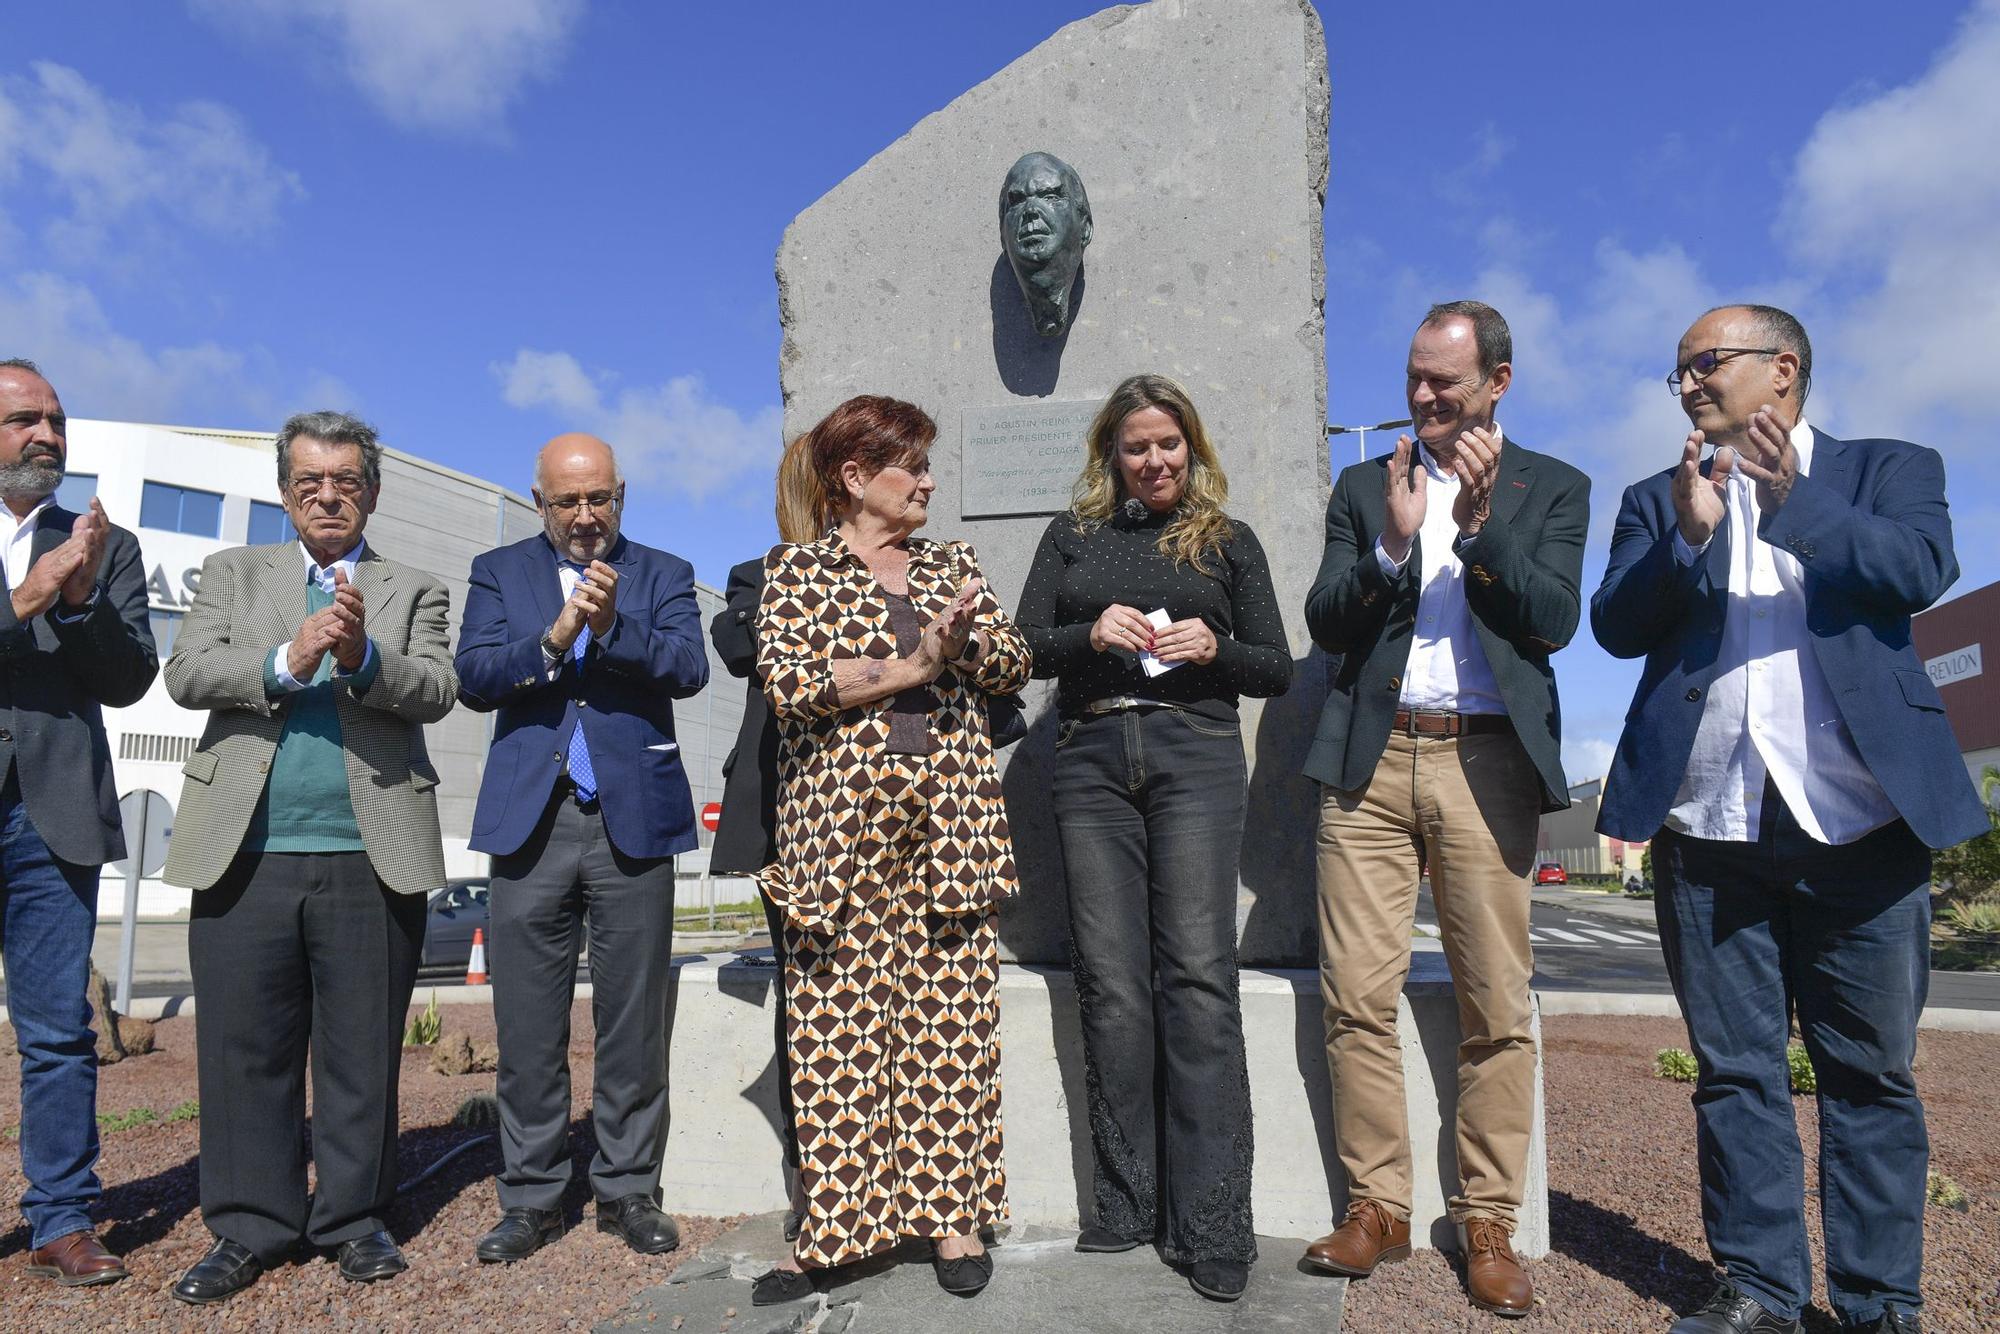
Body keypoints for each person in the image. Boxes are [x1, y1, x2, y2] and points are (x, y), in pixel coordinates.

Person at [1593, 305, 1981, 1334]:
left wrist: (1793, 503)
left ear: (1783, 367)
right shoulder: (1657, 495)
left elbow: (1916, 572)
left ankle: (1874, 1304)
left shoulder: (1887, 467)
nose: (1684, 383)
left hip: (1858, 822)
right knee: (1733, 1073)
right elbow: (1615, 625)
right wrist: (1685, 534)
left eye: (1703, 362)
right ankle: (1759, 1287)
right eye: (1674, 369)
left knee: (1868, 1075)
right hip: (1707, 823)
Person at [1301, 301, 1588, 1316]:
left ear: (1497, 383)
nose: (1421, 396)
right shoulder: (1361, 484)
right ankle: (1374, 1205)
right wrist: (1389, 544)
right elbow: (1324, 618)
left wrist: (1476, 532)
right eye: (1414, 377)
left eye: (1445, 383)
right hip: (1369, 764)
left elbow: (1551, 620)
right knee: (1353, 994)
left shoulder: (1551, 487)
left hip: (1486, 761)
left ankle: (1486, 1220)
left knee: (1494, 1006)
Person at [163, 410, 457, 1304]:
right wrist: (285, 661)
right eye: (308, 482)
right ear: (285, 492)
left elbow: (438, 688)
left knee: (360, 1051)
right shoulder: (233, 573)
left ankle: (354, 1219)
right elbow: (185, 673)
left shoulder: (413, 585)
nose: (327, 495)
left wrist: (366, 657)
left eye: (346, 481)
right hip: (242, 851)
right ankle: (250, 1225)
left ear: (371, 490)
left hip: (375, 854)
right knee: (242, 1050)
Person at [1014, 373, 1290, 1302]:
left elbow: (1277, 670)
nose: (1155, 460)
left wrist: (1216, 646)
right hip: (1089, 757)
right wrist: (1088, 631)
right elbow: (1020, 649)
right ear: (1112, 456)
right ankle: (1127, 1203)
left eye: (1169, 444)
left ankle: (1212, 1223)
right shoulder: (1072, 536)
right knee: (1113, 983)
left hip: (1197, 755)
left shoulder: (1228, 540)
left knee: (1199, 980)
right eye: (1137, 447)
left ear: (1193, 448)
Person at [749, 395, 1029, 1305]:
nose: (930, 482)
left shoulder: (953, 564)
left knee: (951, 1022)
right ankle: (836, 1228)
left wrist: (969, 640)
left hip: (949, 826)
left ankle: (953, 1221)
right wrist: (911, 668)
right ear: (856, 478)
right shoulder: (793, 571)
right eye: (913, 466)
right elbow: (791, 684)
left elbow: (1015, 662)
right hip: (836, 837)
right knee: (834, 1027)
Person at [456, 433, 708, 1264]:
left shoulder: (664, 573)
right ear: (540, 504)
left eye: (600, 498)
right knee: (527, 1025)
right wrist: (558, 638)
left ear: (621, 496)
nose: (586, 515)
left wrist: (615, 625)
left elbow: (688, 668)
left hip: (630, 820)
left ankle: (628, 1189)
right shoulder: (500, 573)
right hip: (532, 821)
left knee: (632, 1023)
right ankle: (531, 1197)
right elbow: (476, 675)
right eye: (568, 502)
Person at [0, 358, 156, 1289]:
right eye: (25, 418)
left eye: (57, 421)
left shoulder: (106, 546)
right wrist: (26, 596)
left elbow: (131, 678)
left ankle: (60, 1218)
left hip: (51, 817)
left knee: (56, 1030)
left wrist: (83, 594)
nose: (48, 435)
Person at [707, 433, 821, 1239]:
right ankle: (814, 1176)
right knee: (807, 997)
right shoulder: (760, 578)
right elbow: (742, 642)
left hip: (901, 817)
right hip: (792, 819)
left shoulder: (918, 572)